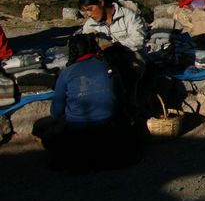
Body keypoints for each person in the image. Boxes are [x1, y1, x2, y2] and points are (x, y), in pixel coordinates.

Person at [43, 34, 138, 172]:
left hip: (78, 129)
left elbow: (56, 110)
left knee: (46, 130)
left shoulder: (67, 73)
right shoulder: (108, 67)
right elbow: (120, 101)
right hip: (108, 126)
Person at [79, 0, 147, 108]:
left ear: (101, 3)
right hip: (105, 61)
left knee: (128, 75)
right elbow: (86, 44)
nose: (89, 14)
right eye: (86, 11)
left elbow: (138, 40)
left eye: (90, 9)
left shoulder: (128, 17)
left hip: (130, 58)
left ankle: (131, 106)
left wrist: (113, 46)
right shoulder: (90, 24)